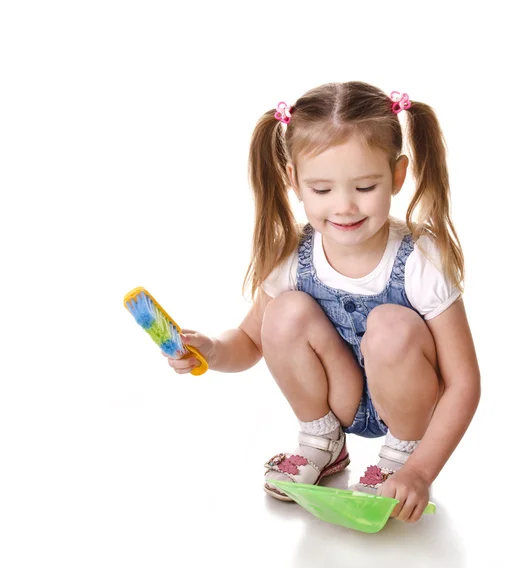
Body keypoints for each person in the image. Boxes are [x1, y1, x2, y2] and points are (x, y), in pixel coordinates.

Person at [166, 81, 481, 523]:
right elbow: (250, 340)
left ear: (397, 175)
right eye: (322, 190)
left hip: (410, 405)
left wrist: (421, 471)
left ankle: (397, 459)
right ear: (294, 181)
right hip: (342, 397)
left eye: (365, 187)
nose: (345, 207)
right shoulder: (292, 254)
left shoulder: (421, 260)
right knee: (284, 312)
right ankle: (322, 444)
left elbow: (463, 382)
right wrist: (214, 351)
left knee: (391, 324)